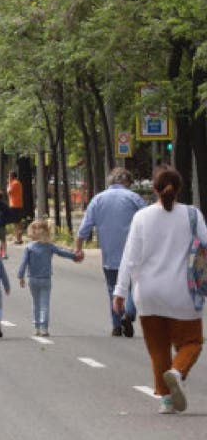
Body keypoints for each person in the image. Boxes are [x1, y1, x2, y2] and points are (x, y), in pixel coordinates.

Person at [114, 165, 207, 414]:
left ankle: (166, 401)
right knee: (192, 341)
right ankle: (177, 372)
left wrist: (120, 291)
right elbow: (205, 250)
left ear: (155, 188)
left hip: (148, 294)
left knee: (158, 348)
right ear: (179, 189)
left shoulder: (141, 217)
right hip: (183, 293)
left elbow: (130, 257)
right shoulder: (193, 215)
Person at [75, 167, 146, 337]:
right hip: (134, 254)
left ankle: (116, 325)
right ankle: (128, 314)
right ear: (127, 182)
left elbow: (85, 227)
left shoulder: (97, 199)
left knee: (112, 289)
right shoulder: (134, 198)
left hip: (109, 254)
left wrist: (78, 249)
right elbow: (149, 219)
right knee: (135, 287)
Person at [17, 219, 80, 337]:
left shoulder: (29, 247)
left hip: (33, 279)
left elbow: (23, 263)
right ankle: (44, 328)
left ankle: (36, 327)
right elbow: (62, 252)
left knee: (36, 303)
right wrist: (74, 256)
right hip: (46, 279)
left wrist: (21, 276)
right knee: (44, 304)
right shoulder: (49, 247)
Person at [7, 171, 25, 244]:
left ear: (11, 176)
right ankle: (19, 238)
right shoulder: (18, 183)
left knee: (16, 223)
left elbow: (9, 192)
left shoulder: (14, 183)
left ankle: (18, 239)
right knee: (18, 222)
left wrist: (9, 183)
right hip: (18, 204)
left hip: (15, 205)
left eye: (9, 176)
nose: (8, 178)